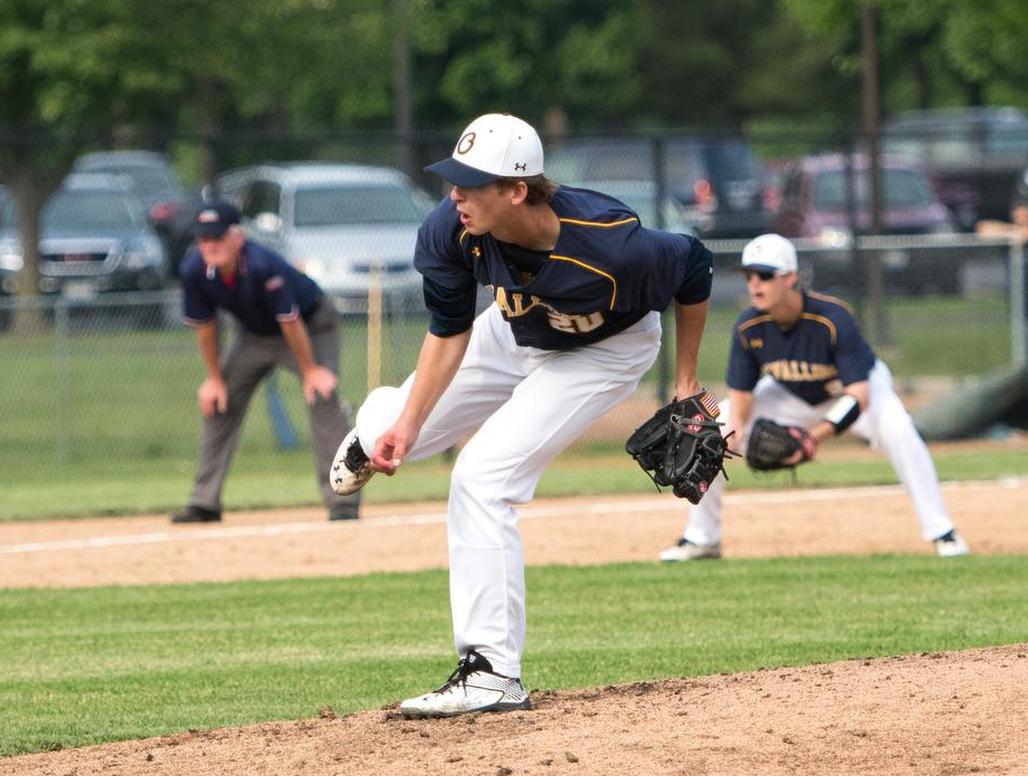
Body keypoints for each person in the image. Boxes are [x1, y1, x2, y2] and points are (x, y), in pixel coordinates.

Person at [328, 113, 716, 717]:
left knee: (481, 477)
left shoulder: (612, 241)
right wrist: (405, 425)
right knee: (392, 432)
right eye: (452, 179)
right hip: (515, 330)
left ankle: (491, 674)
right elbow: (448, 333)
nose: (454, 193)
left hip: (605, 350)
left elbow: (694, 264)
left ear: (516, 190)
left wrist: (687, 381)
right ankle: (372, 428)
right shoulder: (451, 230)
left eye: (471, 183)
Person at [659, 233, 968, 562]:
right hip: (792, 396)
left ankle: (942, 531)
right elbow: (742, 397)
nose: (754, 283)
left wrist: (813, 437)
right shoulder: (749, 326)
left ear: (791, 277)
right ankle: (702, 538)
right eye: (749, 275)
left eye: (765, 274)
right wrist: (734, 433)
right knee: (713, 432)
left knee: (899, 431)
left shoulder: (832, 319)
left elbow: (859, 394)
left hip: (855, 392)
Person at [171, 201, 360, 524]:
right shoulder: (194, 270)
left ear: (238, 237)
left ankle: (342, 501)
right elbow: (206, 326)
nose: (210, 245)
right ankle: (204, 502)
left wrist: (311, 371)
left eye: (217, 237)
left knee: (322, 396)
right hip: (253, 336)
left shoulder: (263, 266)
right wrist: (214, 379)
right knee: (219, 402)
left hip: (311, 328)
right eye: (204, 239)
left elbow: (291, 321)